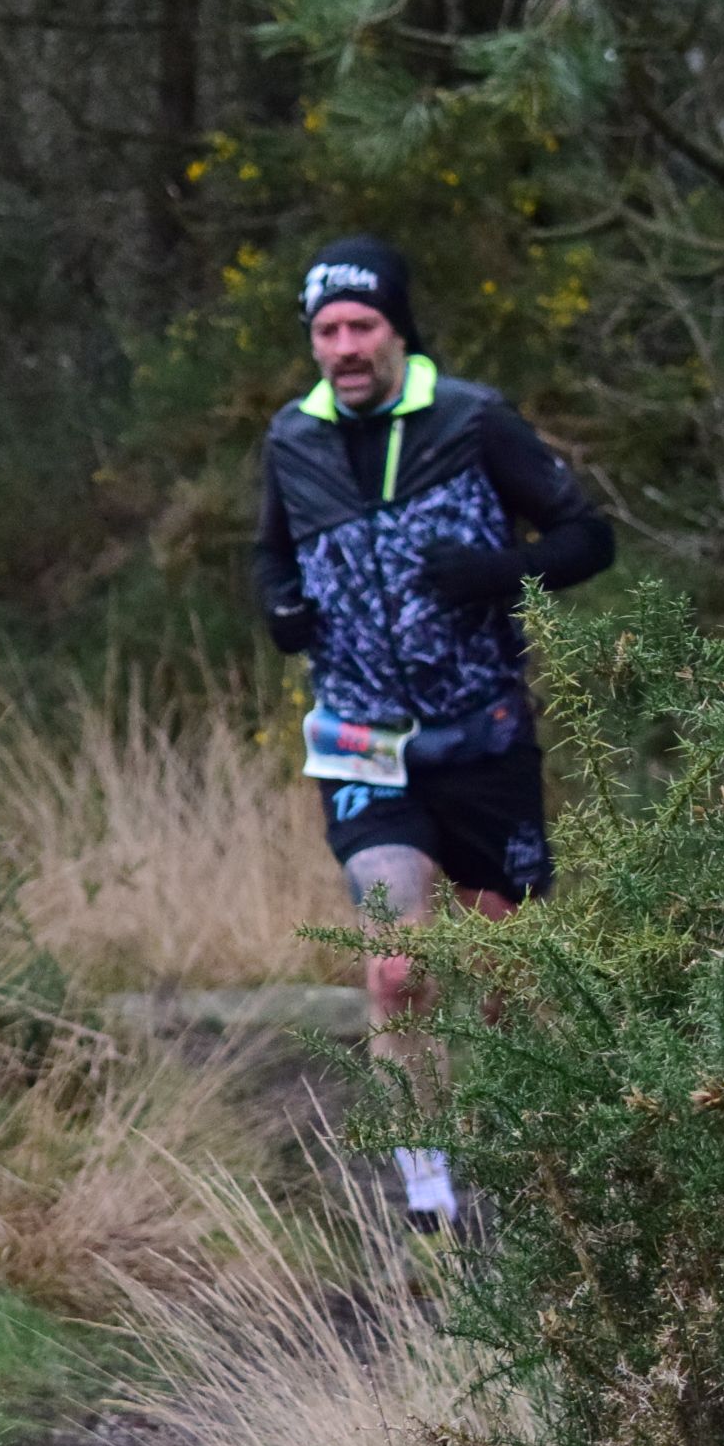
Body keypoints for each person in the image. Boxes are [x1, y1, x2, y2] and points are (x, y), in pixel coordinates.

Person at [252, 235, 613, 1234]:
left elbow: (589, 538)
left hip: (483, 734)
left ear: (398, 329)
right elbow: (270, 555)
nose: (343, 346)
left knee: (506, 975)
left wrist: (493, 573)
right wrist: (279, 606)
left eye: (361, 325)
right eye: (326, 329)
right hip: (360, 741)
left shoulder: (471, 418)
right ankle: (427, 1190)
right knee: (397, 968)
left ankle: (538, 1171)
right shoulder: (292, 439)